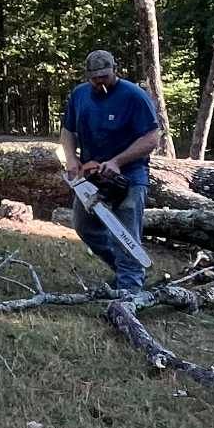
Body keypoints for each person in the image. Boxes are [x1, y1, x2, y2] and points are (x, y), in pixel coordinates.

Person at [58, 50, 161, 298]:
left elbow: (151, 138)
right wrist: (72, 159)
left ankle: (130, 289)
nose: (99, 82)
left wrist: (117, 161)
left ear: (115, 69)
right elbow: (67, 131)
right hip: (91, 175)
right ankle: (125, 270)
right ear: (87, 76)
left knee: (124, 233)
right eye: (94, 78)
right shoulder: (79, 95)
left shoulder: (134, 96)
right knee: (85, 226)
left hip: (129, 176)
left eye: (104, 76)